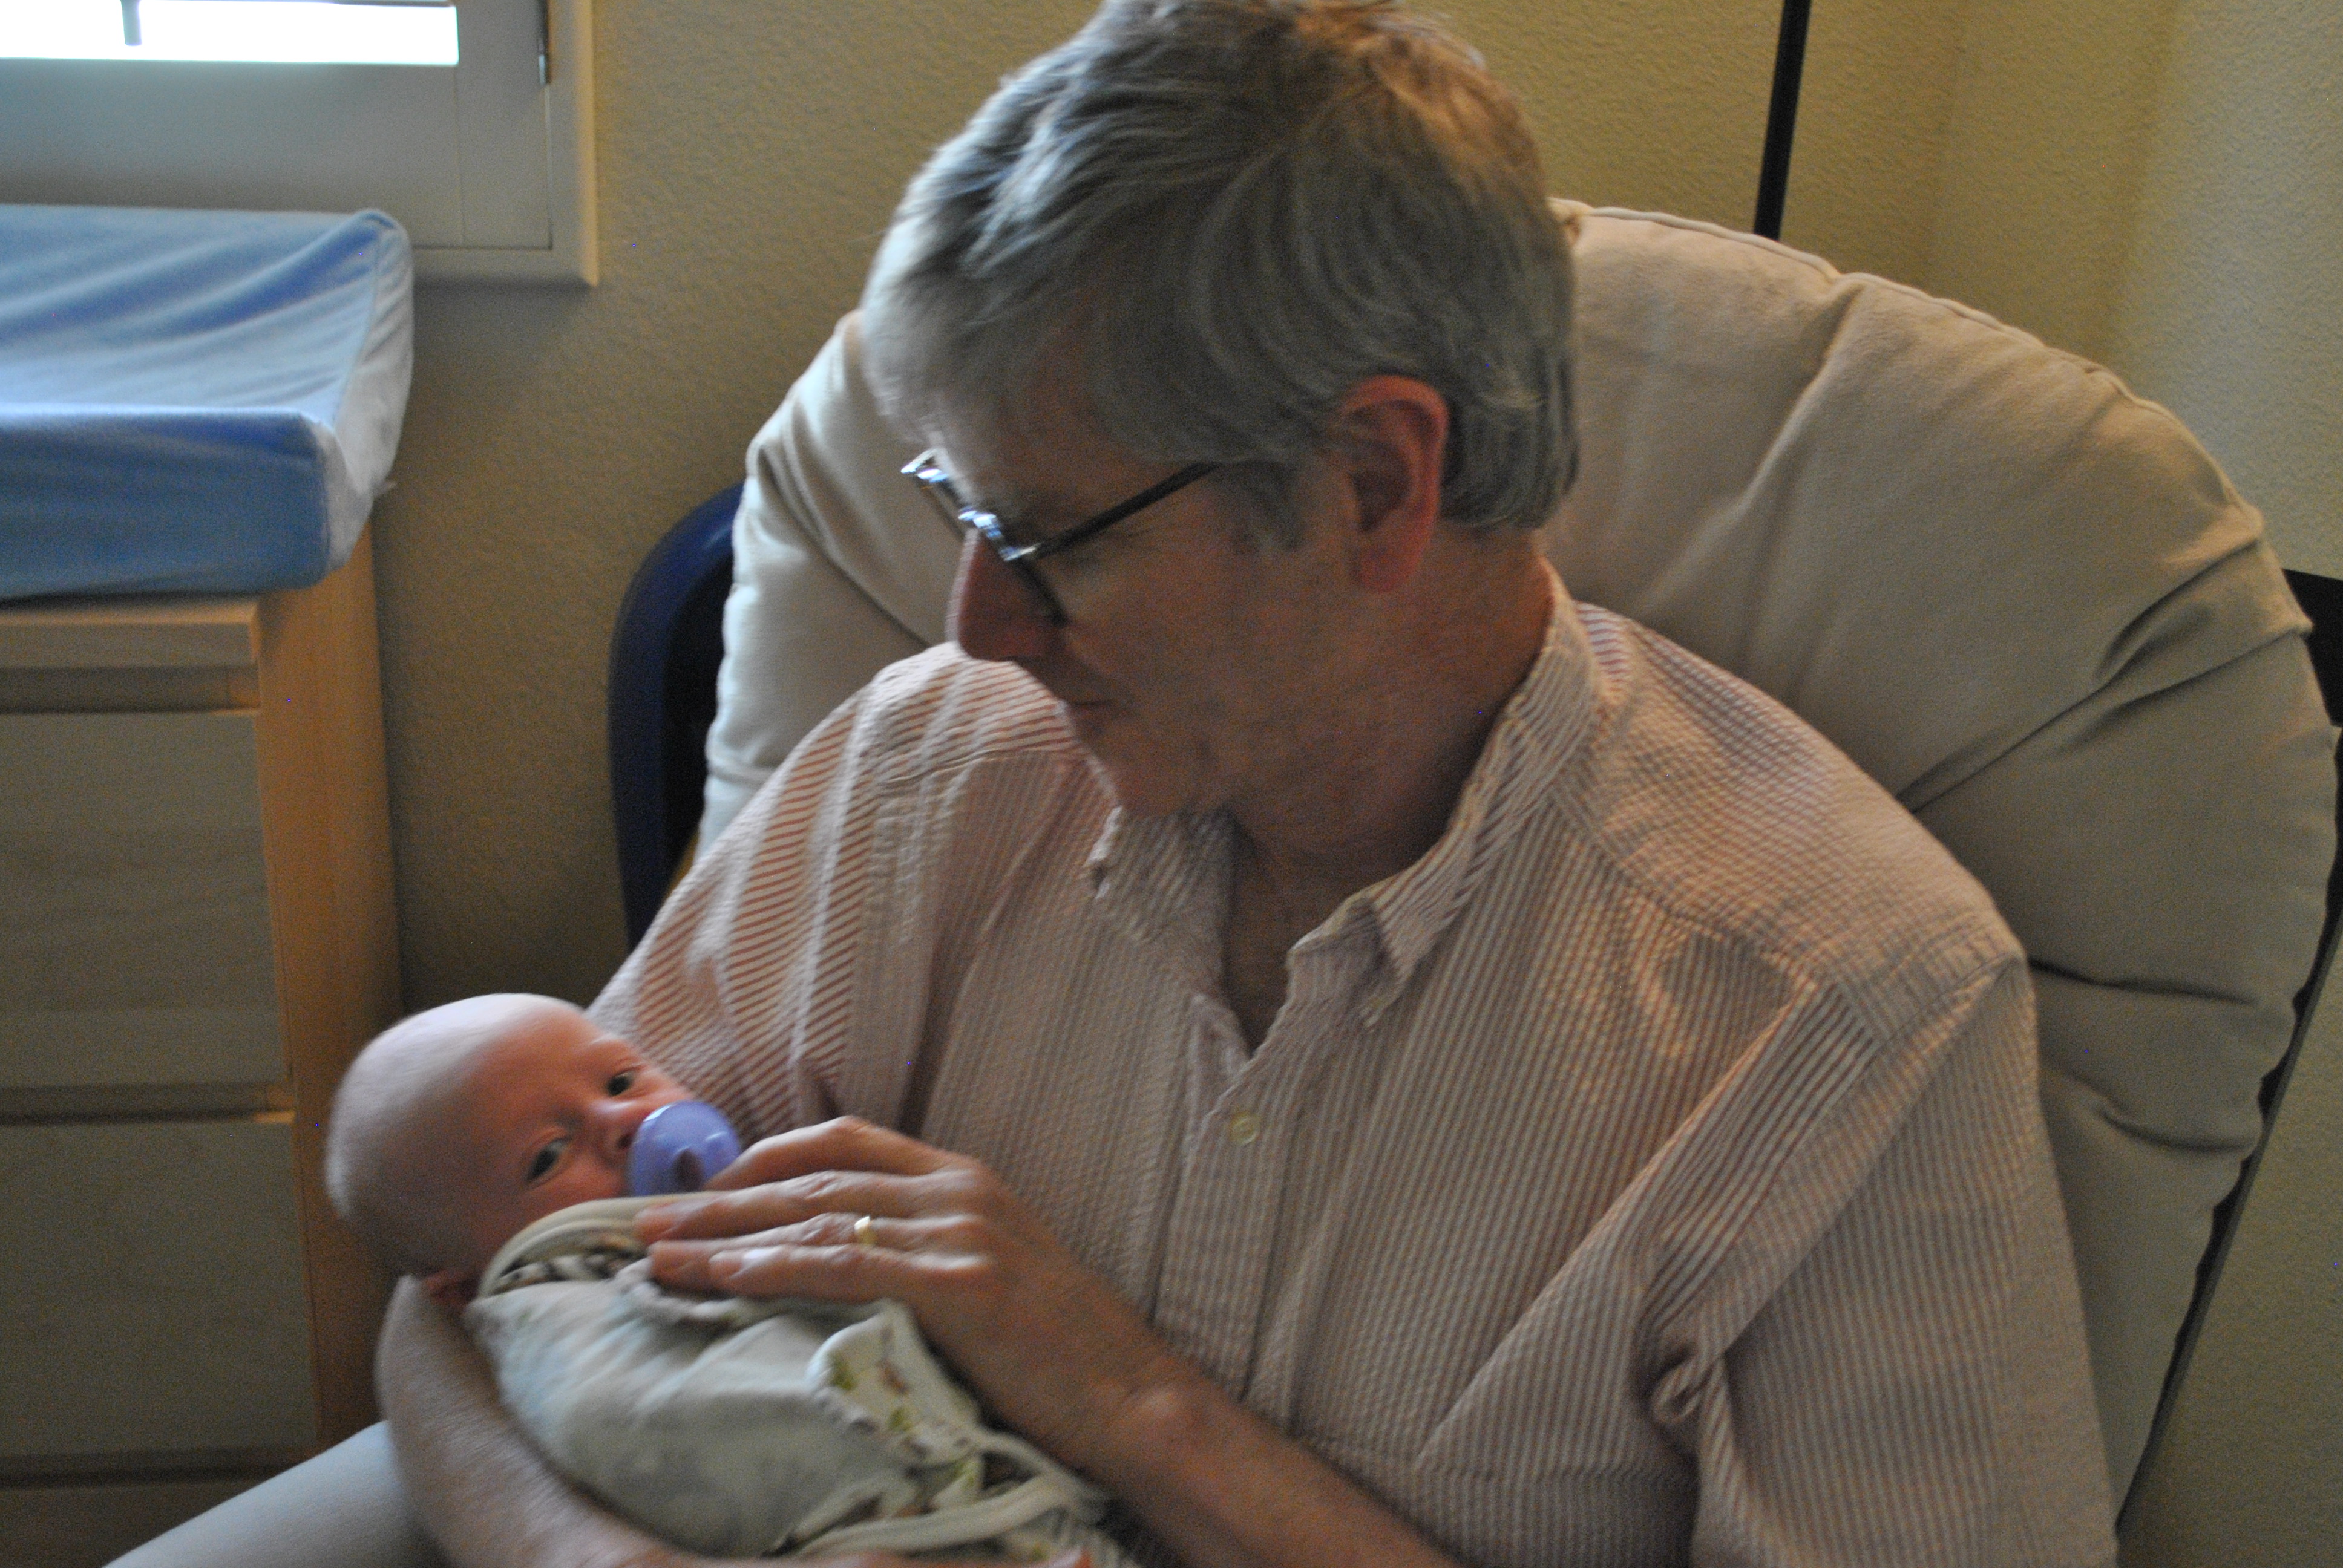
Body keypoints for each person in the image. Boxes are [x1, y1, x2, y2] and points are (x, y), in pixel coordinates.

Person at [381, 3, 2119, 1565]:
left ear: (1373, 482)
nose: (978, 624)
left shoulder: (1839, 1028)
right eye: (960, 513)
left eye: (1052, 537)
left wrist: (1131, 1405)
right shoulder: (924, 776)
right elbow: (473, 1278)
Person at [326, 994, 1133, 1564]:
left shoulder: (761, 1199)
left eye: (621, 1081)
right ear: (462, 1289)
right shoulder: (563, 1312)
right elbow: (637, 1416)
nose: (623, 1122)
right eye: (548, 1157)